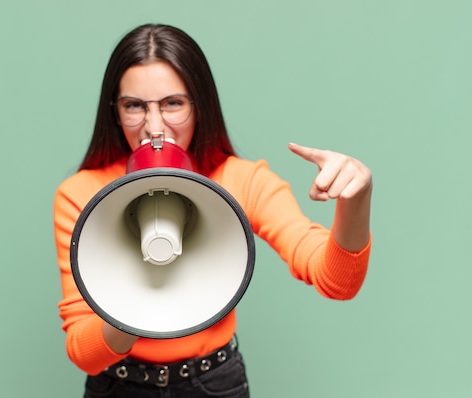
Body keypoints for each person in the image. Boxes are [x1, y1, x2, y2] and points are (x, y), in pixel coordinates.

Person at [54, 23, 372, 398]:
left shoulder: (243, 181)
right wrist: (136, 292)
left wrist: (357, 199)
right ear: (115, 111)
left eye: (173, 103)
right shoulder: (82, 195)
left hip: (212, 384)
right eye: (134, 106)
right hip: (118, 385)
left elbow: (336, 281)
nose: (153, 127)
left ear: (199, 105)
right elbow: (82, 353)